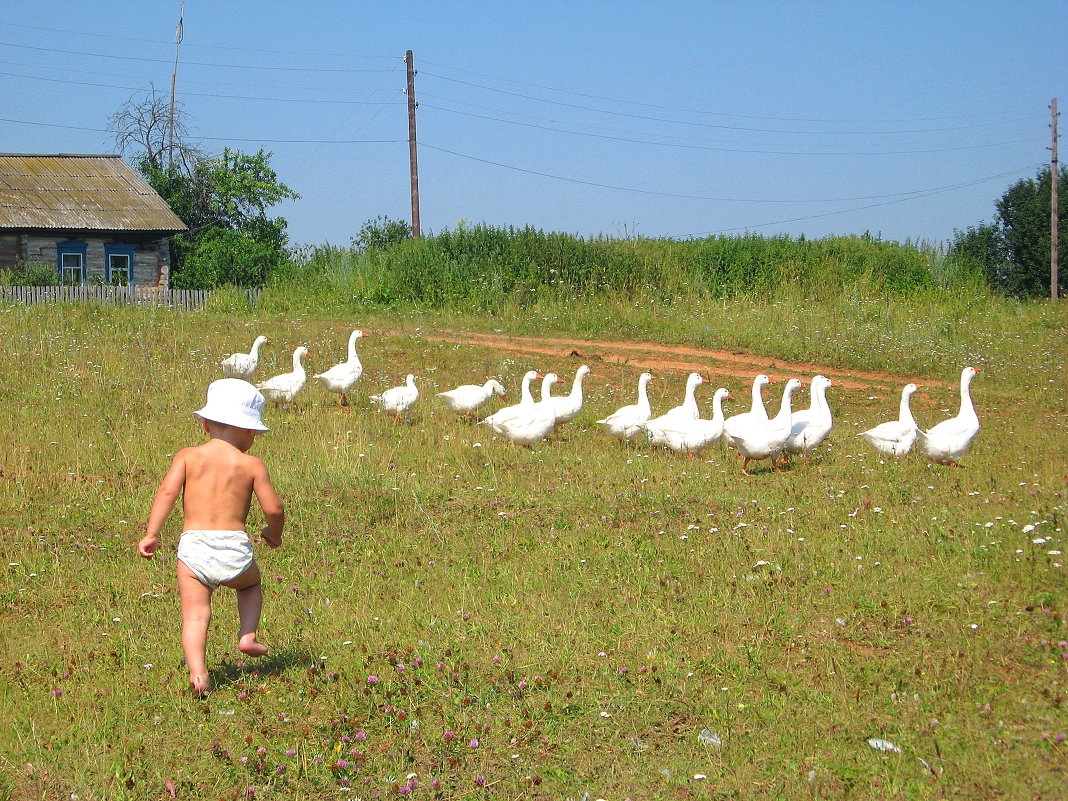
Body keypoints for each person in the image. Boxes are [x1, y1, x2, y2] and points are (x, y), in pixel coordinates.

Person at [137, 378, 284, 695]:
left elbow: (167, 492)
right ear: (246, 430)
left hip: (194, 547)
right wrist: (273, 533)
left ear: (205, 424)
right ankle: (247, 636)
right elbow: (273, 508)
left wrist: (152, 533)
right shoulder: (251, 464)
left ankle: (200, 675)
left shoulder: (188, 456)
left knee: (195, 616)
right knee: (251, 585)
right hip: (233, 544)